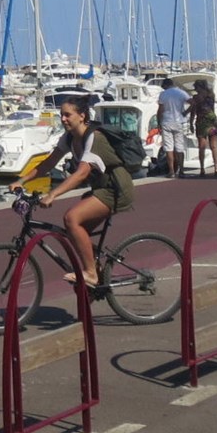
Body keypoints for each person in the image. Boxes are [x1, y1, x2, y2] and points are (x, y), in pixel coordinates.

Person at [20, 93, 135, 288]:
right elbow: (49, 163)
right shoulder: (70, 138)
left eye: (67, 115)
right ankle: (96, 274)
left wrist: (53, 194)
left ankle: (91, 273)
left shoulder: (94, 138)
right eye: (61, 115)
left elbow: (82, 173)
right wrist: (21, 181)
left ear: (82, 116)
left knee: (71, 219)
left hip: (116, 188)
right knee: (75, 234)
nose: (63, 119)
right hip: (101, 188)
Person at [154, 77, 190, 178]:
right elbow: (193, 102)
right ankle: (181, 170)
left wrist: (158, 122)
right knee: (179, 147)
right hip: (179, 122)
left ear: (165, 85)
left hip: (166, 122)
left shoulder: (163, 94)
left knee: (168, 147)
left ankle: (172, 171)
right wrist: (186, 112)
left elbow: (160, 110)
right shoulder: (181, 92)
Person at [191, 79, 217, 176]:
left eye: (196, 87)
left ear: (199, 87)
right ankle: (216, 167)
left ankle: (202, 168)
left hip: (201, 122)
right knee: (214, 146)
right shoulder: (211, 95)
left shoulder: (196, 97)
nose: (195, 89)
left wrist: (191, 122)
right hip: (212, 121)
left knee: (202, 147)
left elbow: (193, 110)